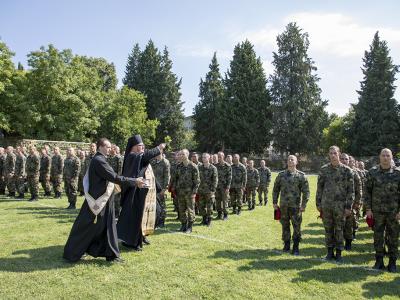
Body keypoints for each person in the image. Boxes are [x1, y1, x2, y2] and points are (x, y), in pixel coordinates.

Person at [63, 138, 139, 263]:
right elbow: (114, 177)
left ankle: (108, 254)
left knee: (101, 227)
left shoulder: (100, 159)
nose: (110, 149)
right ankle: (73, 252)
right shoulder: (99, 161)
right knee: (88, 226)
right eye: (108, 147)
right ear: (100, 147)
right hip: (98, 200)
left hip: (100, 199)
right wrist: (134, 181)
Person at [117, 135, 166, 251]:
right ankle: (133, 242)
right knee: (137, 218)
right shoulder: (132, 157)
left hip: (146, 193)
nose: (143, 147)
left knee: (155, 213)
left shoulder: (140, 157)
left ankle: (142, 236)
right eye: (140, 145)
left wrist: (158, 188)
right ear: (133, 147)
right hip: (135, 194)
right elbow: (146, 156)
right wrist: (159, 147)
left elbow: (148, 172)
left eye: (143, 145)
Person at [316, 146, 354, 262]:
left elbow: (351, 191)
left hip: (340, 206)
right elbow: (319, 188)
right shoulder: (324, 169)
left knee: (339, 229)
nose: (333, 155)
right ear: (328, 155)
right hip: (326, 205)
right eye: (331, 153)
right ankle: (329, 252)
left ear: (339, 154)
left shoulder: (347, 171)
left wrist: (348, 207)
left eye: (335, 153)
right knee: (328, 229)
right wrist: (318, 203)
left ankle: (338, 253)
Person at [365, 148, 400, 273]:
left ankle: (392, 262)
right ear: (379, 157)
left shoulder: (398, 173)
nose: (385, 157)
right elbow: (367, 192)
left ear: (391, 157)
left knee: (393, 237)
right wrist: (368, 209)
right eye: (383, 155)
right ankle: (379, 261)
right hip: (377, 212)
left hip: (393, 212)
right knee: (378, 236)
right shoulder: (372, 172)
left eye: (388, 155)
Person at [273, 155, 310, 255]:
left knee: (296, 227)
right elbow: (276, 189)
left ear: (296, 162)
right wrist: (275, 202)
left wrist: (303, 205)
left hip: (296, 207)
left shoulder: (301, 176)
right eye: (288, 159)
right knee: (285, 226)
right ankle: (286, 244)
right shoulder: (281, 175)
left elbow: (306, 192)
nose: (290, 161)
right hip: (283, 206)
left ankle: (296, 247)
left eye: (292, 159)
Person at [170, 149, 200, 233]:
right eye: (180, 154)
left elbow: (197, 181)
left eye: (183, 154)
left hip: (190, 193)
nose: (181, 156)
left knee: (190, 210)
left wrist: (194, 192)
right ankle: (183, 225)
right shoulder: (178, 166)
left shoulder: (193, 166)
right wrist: (174, 189)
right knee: (181, 209)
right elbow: (175, 179)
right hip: (180, 192)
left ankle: (190, 227)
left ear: (187, 155)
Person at [150, 153, 171, 228]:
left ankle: (162, 221)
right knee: (154, 204)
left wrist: (165, 188)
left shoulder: (165, 162)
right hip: (153, 186)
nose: (155, 155)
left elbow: (167, 176)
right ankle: (156, 220)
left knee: (162, 205)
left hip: (161, 187)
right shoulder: (153, 162)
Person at [198, 153, 218, 226]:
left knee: (209, 207)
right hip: (201, 190)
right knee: (201, 206)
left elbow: (215, 180)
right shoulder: (199, 167)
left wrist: (213, 190)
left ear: (209, 158)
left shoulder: (213, 168)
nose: (203, 158)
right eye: (203, 157)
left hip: (209, 191)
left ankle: (209, 220)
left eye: (205, 157)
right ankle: (204, 219)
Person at [215, 152, 232, 220]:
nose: (219, 158)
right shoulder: (215, 166)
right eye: (218, 156)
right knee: (218, 201)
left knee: (225, 201)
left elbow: (229, 177)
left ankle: (225, 215)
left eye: (220, 156)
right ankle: (219, 214)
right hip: (217, 187)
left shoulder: (227, 166)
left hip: (224, 187)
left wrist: (228, 187)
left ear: (223, 157)